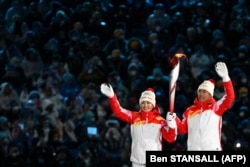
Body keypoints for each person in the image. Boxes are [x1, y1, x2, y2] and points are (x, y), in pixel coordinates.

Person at [100, 84, 177, 167]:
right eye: (143, 102)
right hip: (137, 160)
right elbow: (119, 112)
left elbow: (170, 138)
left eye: (148, 102)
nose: (145, 105)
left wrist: (172, 125)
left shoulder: (160, 121)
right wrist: (112, 97)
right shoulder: (134, 117)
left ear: (153, 104)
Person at [172, 62, 235, 150]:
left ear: (210, 95)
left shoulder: (216, 107)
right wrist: (174, 119)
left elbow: (230, 97)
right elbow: (183, 130)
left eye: (204, 92)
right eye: (200, 91)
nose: (201, 94)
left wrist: (226, 78)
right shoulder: (190, 110)